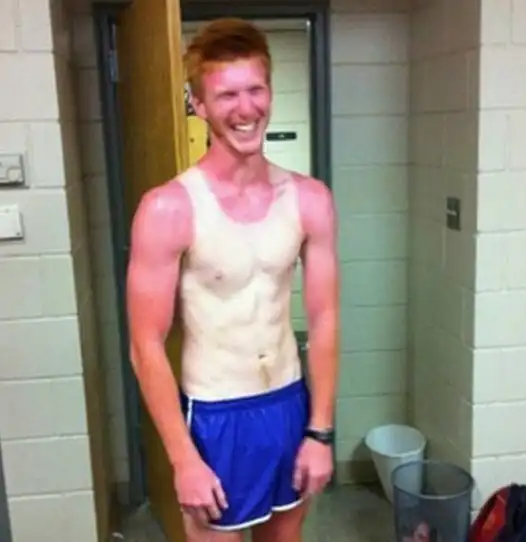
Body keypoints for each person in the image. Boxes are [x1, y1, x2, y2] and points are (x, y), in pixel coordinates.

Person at [126, 17, 339, 542]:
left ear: (270, 92)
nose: (246, 109)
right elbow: (145, 344)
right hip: (215, 414)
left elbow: (325, 318)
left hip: (288, 402)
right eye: (226, 95)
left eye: (255, 90)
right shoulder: (168, 208)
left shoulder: (310, 199)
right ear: (198, 105)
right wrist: (183, 459)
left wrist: (320, 431)